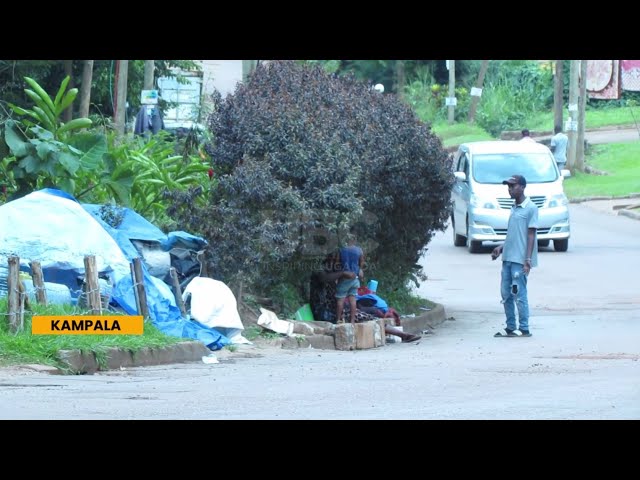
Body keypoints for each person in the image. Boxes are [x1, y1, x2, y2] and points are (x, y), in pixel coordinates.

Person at [309, 253, 421, 343]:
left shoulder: (335, 273)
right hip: (326, 312)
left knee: (367, 314)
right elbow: (324, 278)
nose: (337, 263)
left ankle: (401, 335)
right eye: (335, 261)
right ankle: (403, 335)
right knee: (367, 317)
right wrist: (343, 273)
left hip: (337, 310)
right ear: (329, 260)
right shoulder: (320, 272)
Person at [491, 175, 538, 338]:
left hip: (520, 260)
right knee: (506, 293)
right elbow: (514, 234)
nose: (510, 189)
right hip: (508, 258)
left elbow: (531, 235)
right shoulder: (513, 207)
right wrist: (501, 247)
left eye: (513, 186)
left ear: (523, 187)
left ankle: (524, 328)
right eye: (508, 187)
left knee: (519, 293)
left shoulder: (530, 208)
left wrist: (528, 260)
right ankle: (511, 327)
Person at [335, 233, 364, 325]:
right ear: (354, 240)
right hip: (355, 278)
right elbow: (362, 263)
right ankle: (352, 321)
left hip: (345, 278)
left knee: (340, 300)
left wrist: (337, 276)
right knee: (353, 299)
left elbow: (337, 264)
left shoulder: (341, 250)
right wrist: (359, 270)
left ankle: (338, 320)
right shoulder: (359, 250)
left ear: (347, 240)